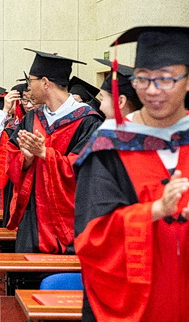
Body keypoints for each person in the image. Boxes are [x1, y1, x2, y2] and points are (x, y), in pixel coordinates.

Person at [75, 26, 189, 321]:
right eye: (142, 78)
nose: (152, 90)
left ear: (188, 81)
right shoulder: (108, 146)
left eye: (165, 79)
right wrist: (155, 211)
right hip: (138, 303)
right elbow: (91, 236)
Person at [6, 48, 102, 253]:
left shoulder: (87, 121)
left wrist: (45, 154)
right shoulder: (32, 118)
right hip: (33, 218)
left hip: (69, 221)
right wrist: (26, 159)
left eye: (31, 80)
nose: (28, 87)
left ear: (45, 82)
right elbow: (11, 156)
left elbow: (87, 171)